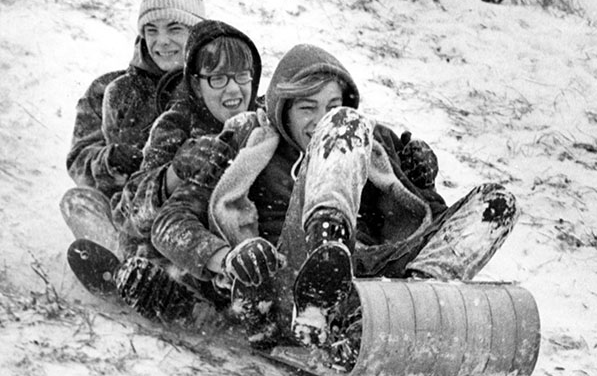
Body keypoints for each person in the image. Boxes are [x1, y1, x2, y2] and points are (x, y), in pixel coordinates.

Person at [151, 43, 519, 351]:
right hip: (288, 277)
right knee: (345, 128)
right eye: (307, 108)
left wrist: (424, 182)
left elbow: (430, 222)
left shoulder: (372, 145)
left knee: (497, 202)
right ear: (283, 110)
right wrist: (228, 259)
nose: (320, 120)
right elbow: (169, 223)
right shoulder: (247, 143)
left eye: (331, 106)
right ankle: (323, 273)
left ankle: (419, 299)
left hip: (375, 274)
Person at [107, 19, 263, 320]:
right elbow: (128, 215)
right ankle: (164, 290)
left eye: (242, 75)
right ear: (195, 82)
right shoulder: (175, 124)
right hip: (177, 244)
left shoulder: (261, 122)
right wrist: (174, 173)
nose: (234, 88)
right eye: (217, 78)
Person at [61, 0, 206, 252]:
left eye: (174, 28)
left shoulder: (213, 87)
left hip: (186, 216)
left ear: (196, 33)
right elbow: (78, 160)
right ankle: (121, 272)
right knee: (78, 201)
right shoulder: (109, 91)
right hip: (124, 215)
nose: (161, 42)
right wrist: (110, 161)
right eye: (151, 31)